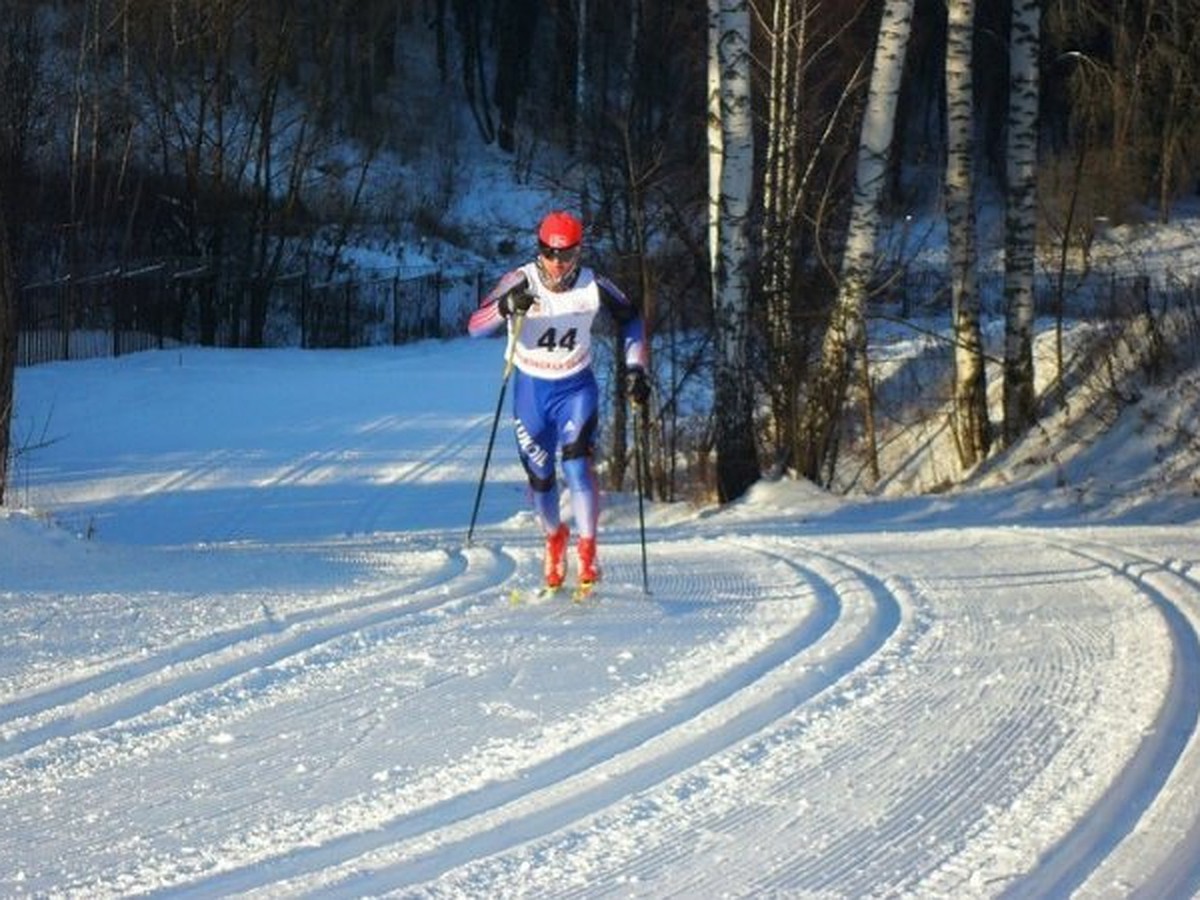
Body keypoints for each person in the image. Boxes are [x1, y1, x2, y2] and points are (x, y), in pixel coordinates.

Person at [468, 210, 650, 590]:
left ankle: (587, 550)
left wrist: (636, 370)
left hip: (575, 388)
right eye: (548, 253)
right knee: (540, 479)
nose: (555, 263)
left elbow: (632, 318)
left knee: (578, 468)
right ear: (539, 250)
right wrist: (505, 308)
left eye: (564, 255)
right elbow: (475, 327)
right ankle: (555, 539)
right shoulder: (520, 280)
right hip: (531, 390)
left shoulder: (592, 285)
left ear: (578, 253)